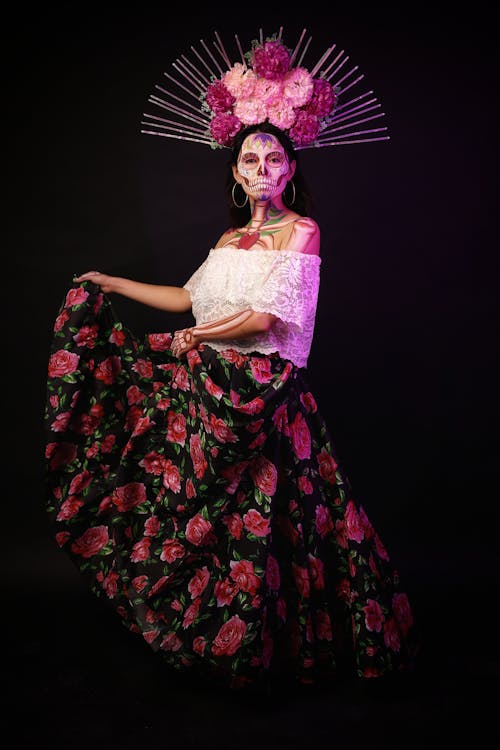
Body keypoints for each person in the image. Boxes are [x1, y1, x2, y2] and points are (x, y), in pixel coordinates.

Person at [45, 119, 420, 693]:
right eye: (250, 160)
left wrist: (196, 339)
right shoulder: (226, 242)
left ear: (291, 170)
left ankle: (280, 650)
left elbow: (265, 319)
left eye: (274, 160)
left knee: (274, 524)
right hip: (209, 391)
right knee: (204, 515)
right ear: (237, 173)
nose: (262, 171)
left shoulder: (302, 231)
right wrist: (114, 284)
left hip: (264, 397)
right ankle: (207, 638)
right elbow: (188, 299)